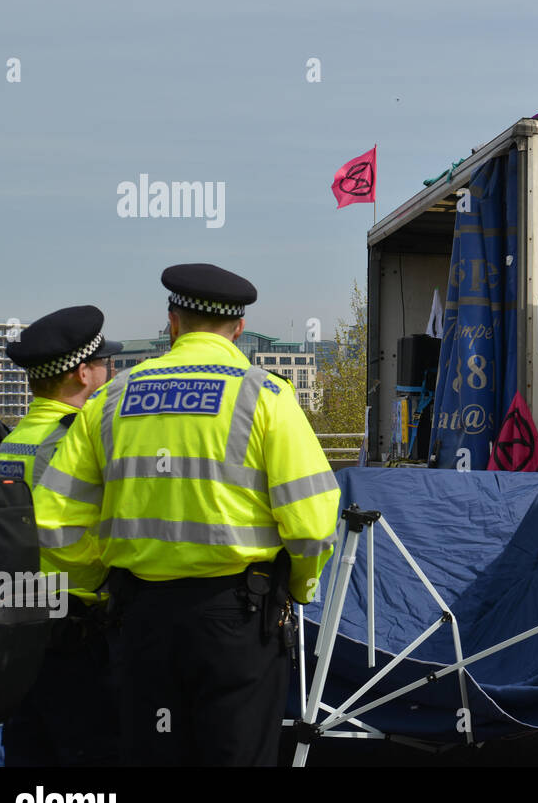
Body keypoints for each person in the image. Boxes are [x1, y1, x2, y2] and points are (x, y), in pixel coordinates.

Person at [35, 264, 340, 766]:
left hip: (141, 620)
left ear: (172, 322)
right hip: (240, 620)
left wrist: (101, 582)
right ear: (239, 328)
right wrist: (298, 587)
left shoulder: (110, 400)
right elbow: (311, 523)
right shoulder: (264, 395)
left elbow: (55, 520)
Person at [0, 306, 124, 766]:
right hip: (72, 626)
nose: (109, 373)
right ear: (82, 373)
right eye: (105, 364)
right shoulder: (71, 438)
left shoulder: (16, 438)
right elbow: (62, 537)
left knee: (31, 751)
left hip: (18, 623)